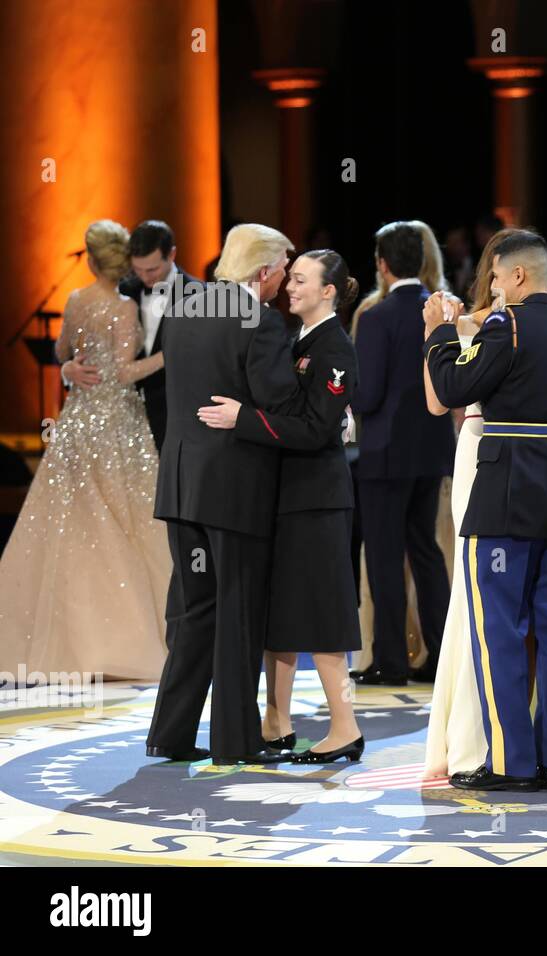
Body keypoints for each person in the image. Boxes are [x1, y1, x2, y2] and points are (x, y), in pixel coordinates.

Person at [425, 230, 547, 792]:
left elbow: (454, 387)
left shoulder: (509, 324)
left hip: (505, 489)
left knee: (497, 628)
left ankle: (509, 761)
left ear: (518, 276)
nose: (495, 287)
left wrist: (436, 336)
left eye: (498, 277)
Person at [197, 250, 365, 764]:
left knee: (324, 613)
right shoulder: (301, 341)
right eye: (289, 279)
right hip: (291, 498)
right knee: (283, 613)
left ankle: (346, 727)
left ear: (328, 290)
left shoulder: (334, 347)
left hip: (317, 500)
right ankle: (277, 722)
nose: (289, 287)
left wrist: (244, 419)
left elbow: (316, 430)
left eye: (299, 280)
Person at [147, 223, 301, 765]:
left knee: (195, 610)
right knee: (238, 610)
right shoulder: (260, 321)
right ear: (263, 271)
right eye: (284, 268)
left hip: (182, 483)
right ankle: (235, 742)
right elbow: (278, 404)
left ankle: (170, 732)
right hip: (234, 489)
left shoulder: (181, 311)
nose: (285, 280)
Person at [0, 220, 170, 681]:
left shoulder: (76, 300)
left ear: (91, 259)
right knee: (126, 525)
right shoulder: (122, 309)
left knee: (72, 525)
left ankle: (72, 644)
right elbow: (125, 372)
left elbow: (60, 349)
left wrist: (72, 365)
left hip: (78, 422)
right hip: (118, 425)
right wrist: (171, 353)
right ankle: (124, 643)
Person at [421, 226, 526, 780]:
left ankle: (508, 735)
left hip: (525, 459)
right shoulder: (467, 323)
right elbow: (439, 403)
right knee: (474, 587)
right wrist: (435, 334)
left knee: (508, 595)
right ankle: (467, 737)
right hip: (478, 452)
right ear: (496, 271)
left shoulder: (535, 322)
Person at [350, 222, 455, 686]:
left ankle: (390, 661)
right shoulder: (444, 312)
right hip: (431, 451)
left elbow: (368, 394)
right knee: (427, 555)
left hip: (384, 455)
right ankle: (440, 658)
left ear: (382, 264)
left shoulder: (375, 317)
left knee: (385, 559)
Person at [113, 220, 199, 452]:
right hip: (127, 414)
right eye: (137, 270)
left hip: (177, 414)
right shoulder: (123, 290)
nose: (144, 277)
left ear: (172, 255)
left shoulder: (200, 295)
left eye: (151, 269)